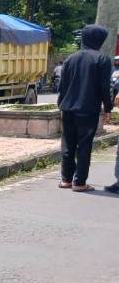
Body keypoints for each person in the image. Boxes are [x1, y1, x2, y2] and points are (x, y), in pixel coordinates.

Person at [57, 25, 113, 192]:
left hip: (67, 108)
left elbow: (62, 86)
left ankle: (66, 180)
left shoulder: (70, 58)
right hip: (87, 109)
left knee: (68, 144)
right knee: (84, 145)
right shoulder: (102, 59)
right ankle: (79, 182)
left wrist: (61, 105)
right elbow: (105, 87)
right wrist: (107, 108)